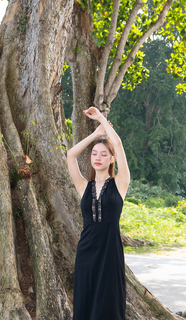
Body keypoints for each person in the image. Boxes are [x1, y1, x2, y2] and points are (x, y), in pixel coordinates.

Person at [67, 106, 130, 320]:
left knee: (108, 303)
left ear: (112, 159)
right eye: (94, 154)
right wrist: (96, 134)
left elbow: (118, 145)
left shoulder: (121, 183)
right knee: (84, 301)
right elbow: (70, 155)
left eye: (104, 154)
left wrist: (102, 118)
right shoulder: (84, 186)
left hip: (110, 253)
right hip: (86, 252)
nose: (98, 157)